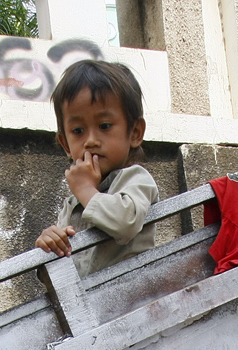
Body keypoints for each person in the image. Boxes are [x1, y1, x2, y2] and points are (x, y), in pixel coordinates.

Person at [34, 59, 158, 276]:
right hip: (91, 305)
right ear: (66, 144)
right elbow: (63, 272)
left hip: (134, 299)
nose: (90, 140)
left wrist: (86, 191)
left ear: (135, 132)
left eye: (104, 126)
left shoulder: (136, 179)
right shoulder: (72, 205)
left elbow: (124, 222)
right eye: (78, 130)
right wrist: (49, 246)